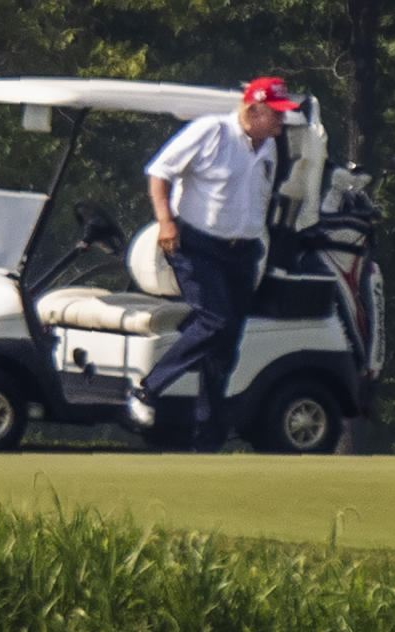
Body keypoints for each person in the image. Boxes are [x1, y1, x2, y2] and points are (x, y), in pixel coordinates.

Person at [128, 76, 300, 451]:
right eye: (275, 114)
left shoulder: (267, 147)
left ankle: (208, 435)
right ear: (253, 109)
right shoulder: (211, 131)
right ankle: (147, 391)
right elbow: (159, 173)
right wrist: (165, 222)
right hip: (197, 245)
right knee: (214, 320)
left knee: (226, 346)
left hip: (243, 252)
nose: (280, 123)